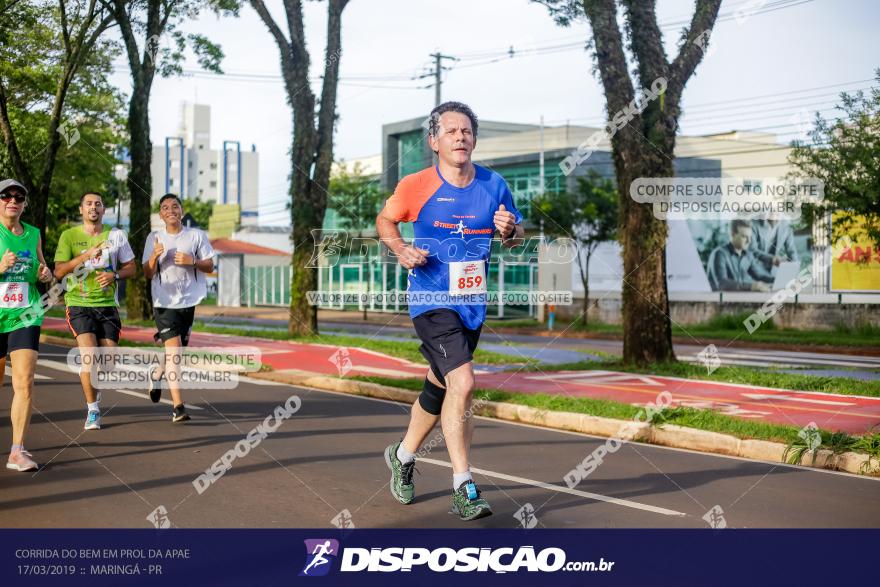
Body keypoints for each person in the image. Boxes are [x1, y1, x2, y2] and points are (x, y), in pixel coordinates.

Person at [376, 101, 524, 521]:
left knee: (440, 385)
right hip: (430, 299)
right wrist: (402, 248)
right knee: (464, 381)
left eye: (467, 131)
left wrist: (511, 230)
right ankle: (464, 485)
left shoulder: (494, 185)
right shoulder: (416, 184)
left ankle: (402, 456)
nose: (461, 136)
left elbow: (515, 234)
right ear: (434, 141)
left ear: (474, 139)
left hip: (471, 303)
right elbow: (385, 221)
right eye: (452, 131)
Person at [54, 193, 136, 430]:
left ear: (103, 210)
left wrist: (115, 275)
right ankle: (92, 410)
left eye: (98, 204)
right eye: (89, 204)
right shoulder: (69, 235)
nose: (93, 207)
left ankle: (94, 387)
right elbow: (59, 272)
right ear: (81, 209)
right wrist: (85, 256)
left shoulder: (116, 235)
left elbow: (131, 267)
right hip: (78, 303)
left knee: (108, 363)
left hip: (107, 305)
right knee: (89, 356)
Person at [142, 194, 215, 423]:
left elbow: (211, 265)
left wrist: (192, 261)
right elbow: (147, 273)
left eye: (175, 206)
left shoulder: (196, 236)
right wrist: (154, 256)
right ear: (161, 214)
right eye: (165, 207)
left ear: (181, 211)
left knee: (176, 353)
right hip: (164, 303)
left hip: (188, 302)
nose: (170, 210)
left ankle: (156, 375)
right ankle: (178, 407)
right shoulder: (154, 238)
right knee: (174, 356)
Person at [0, 179, 53, 471]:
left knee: (25, 381)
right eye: (6, 195)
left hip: (25, 314)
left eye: (19, 197)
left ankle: (17, 451)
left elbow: (43, 269)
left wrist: (45, 274)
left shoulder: (33, 234)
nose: (13, 200)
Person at [707, 219, 774, 291]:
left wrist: (779, 281)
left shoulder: (748, 255)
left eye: (750, 237)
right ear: (733, 235)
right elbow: (722, 284)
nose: (749, 241)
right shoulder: (719, 254)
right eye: (744, 237)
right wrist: (751, 286)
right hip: (720, 300)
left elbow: (760, 276)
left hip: (740, 299)